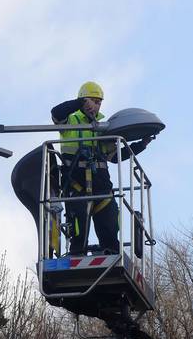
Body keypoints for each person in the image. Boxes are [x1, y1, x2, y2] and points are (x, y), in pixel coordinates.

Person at [51, 81, 152, 255]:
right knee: (78, 227)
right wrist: (79, 102)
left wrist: (141, 145)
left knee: (110, 222)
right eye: (92, 100)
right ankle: (78, 253)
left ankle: (110, 251)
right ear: (83, 100)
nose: (95, 106)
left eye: (99, 102)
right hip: (77, 185)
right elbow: (56, 113)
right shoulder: (70, 120)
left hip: (102, 186)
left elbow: (114, 158)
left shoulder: (104, 128)